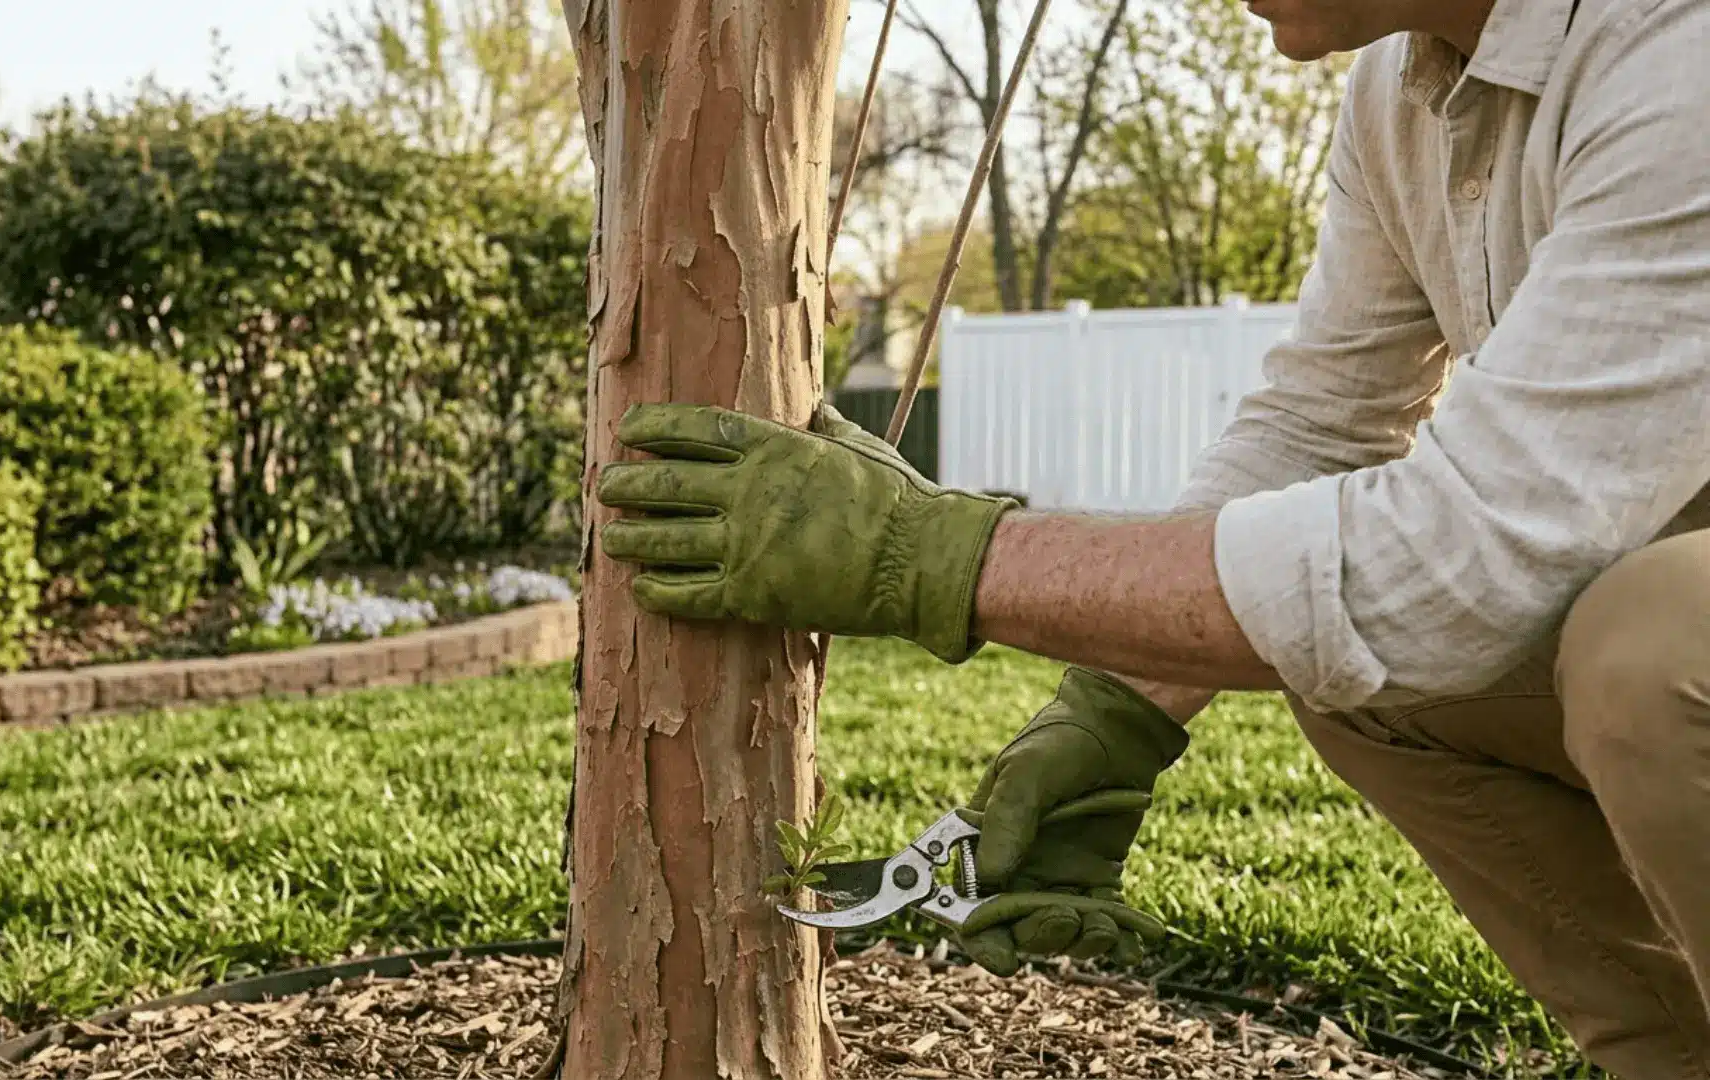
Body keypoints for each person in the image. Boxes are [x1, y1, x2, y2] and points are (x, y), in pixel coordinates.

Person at [592, 0, 1710, 1074]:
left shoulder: (1677, 51)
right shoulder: (1401, 92)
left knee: (1651, 652)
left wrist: (929, 554)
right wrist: (1111, 718)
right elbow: (1318, 427)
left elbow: (1447, 568)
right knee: (1350, 672)